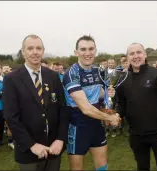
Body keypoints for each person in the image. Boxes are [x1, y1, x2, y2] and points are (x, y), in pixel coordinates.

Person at [3, 34, 69, 171]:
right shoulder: (11, 79)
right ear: (23, 52)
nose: (35, 52)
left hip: (53, 148)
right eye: (30, 48)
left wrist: (61, 139)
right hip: (28, 151)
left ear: (43, 51)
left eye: (38, 48)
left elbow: (63, 109)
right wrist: (32, 145)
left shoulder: (53, 76)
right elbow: (11, 117)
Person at [116, 43, 157, 171]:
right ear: (127, 58)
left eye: (139, 52)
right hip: (136, 135)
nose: (136, 56)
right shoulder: (123, 78)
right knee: (142, 167)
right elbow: (121, 105)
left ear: (145, 55)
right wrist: (115, 115)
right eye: (132, 54)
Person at [63, 35, 120, 171]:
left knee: (102, 167)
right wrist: (110, 117)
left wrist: (108, 98)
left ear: (95, 51)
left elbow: (103, 100)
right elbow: (86, 109)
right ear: (76, 52)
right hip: (77, 128)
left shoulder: (100, 71)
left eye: (91, 49)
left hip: (97, 126)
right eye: (83, 49)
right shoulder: (71, 74)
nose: (87, 53)